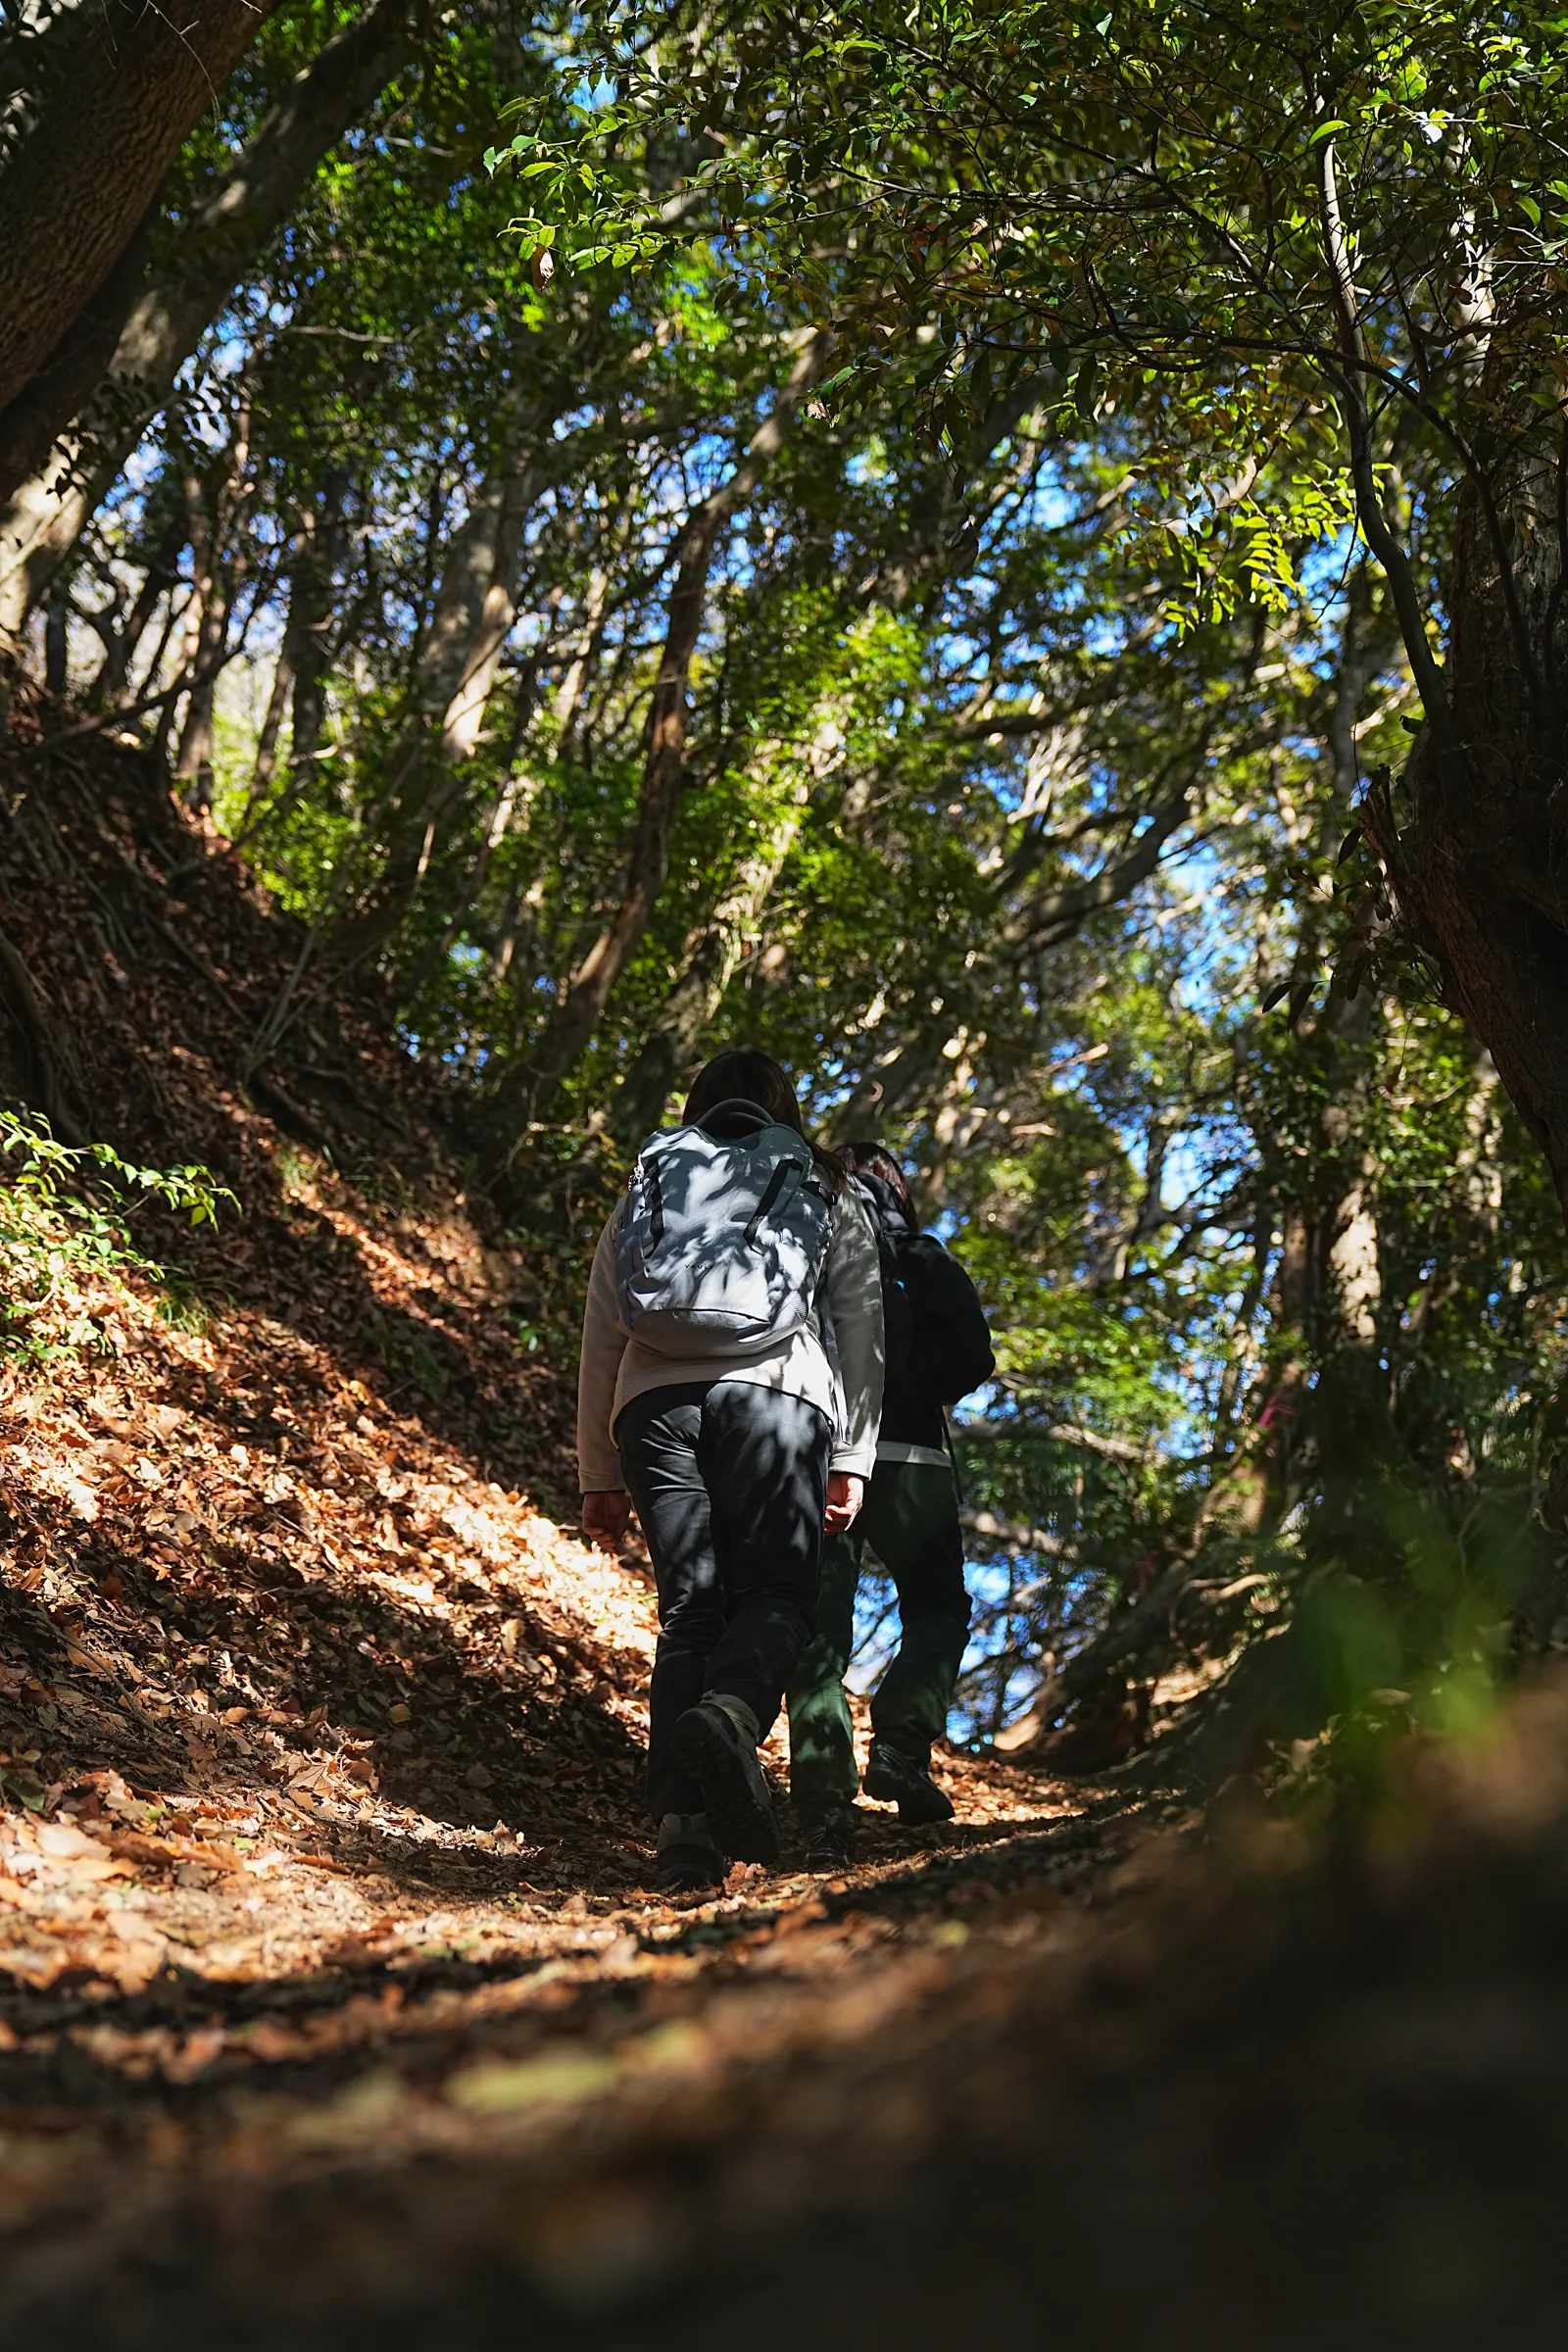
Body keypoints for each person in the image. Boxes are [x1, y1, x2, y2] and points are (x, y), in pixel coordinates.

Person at [577, 1049, 884, 1892]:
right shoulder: (823, 1178)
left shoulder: (655, 1168)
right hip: (778, 1399)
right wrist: (853, 1455)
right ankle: (734, 1712)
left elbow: (604, 1317)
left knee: (690, 1613)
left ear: (696, 1104)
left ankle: (683, 1834)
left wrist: (597, 1471)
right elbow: (860, 1324)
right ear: (785, 1107)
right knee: (778, 1593)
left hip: (653, 1404)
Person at [786, 1142, 995, 1869]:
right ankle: (902, 1747)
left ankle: (824, 1807)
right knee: (939, 1607)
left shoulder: (805, 1235)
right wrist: (913, 1388)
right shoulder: (921, 1253)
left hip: (818, 1454)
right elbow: (974, 1355)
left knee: (818, 1628)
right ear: (898, 1192)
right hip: (913, 1460)